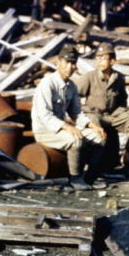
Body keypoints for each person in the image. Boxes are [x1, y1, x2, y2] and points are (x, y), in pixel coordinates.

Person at [31, 44, 106, 189]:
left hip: (60, 129)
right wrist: (68, 128)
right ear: (58, 63)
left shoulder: (71, 86)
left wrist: (93, 126)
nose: (70, 67)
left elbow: (76, 113)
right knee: (75, 140)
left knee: (99, 138)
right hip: (45, 131)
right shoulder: (47, 84)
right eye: (67, 62)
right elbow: (45, 116)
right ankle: (75, 178)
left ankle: (90, 177)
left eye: (73, 63)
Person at [75, 42, 129, 169]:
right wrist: (85, 110)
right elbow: (74, 96)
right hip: (94, 114)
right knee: (95, 123)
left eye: (103, 57)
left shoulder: (119, 78)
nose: (99, 61)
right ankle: (94, 162)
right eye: (97, 57)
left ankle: (127, 155)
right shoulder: (89, 77)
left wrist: (121, 113)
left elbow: (123, 99)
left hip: (112, 115)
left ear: (112, 61)